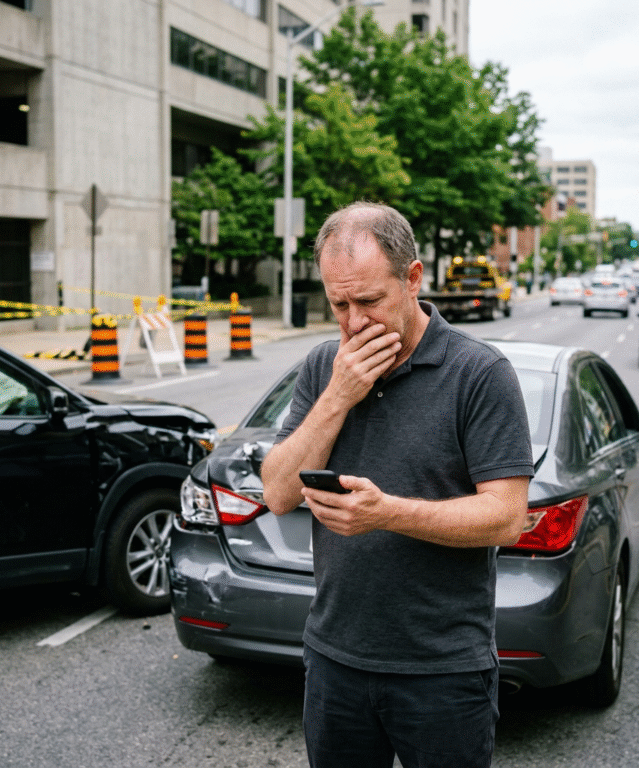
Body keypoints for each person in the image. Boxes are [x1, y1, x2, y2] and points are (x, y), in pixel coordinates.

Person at [261, 202, 534, 768]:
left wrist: (386, 513)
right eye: (339, 305)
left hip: (443, 671)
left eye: (369, 301)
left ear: (412, 279)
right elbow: (278, 493)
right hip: (334, 660)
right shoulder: (324, 366)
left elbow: (507, 517)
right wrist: (338, 396)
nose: (354, 322)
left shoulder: (479, 373)